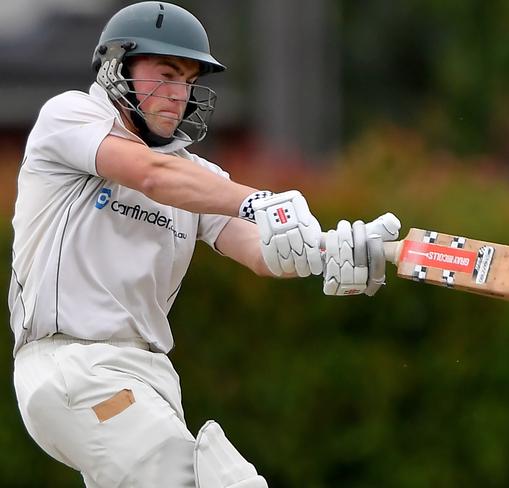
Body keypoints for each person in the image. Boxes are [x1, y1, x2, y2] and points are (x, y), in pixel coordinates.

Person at [8, 2, 401, 487]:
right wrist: (258, 200)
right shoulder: (70, 117)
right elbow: (152, 175)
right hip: (74, 365)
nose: (179, 94)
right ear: (117, 67)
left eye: (189, 80)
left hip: (150, 379)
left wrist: (332, 252)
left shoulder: (196, 177)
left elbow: (260, 251)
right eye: (166, 74)